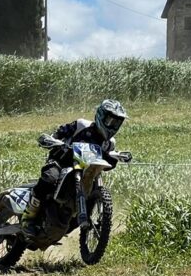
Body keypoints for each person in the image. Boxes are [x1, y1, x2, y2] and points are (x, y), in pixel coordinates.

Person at [21, 99, 129, 235]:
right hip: (61, 162)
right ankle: (28, 217)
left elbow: (108, 164)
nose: (113, 126)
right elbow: (60, 132)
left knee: (92, 191)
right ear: (101, 116)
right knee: (50, 177)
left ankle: (75, 223)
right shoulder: (81, 125)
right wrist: (53, 139)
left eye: (117, 123)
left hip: (86, 173)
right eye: (110, 121)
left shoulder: (110, 143)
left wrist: (116, 157)